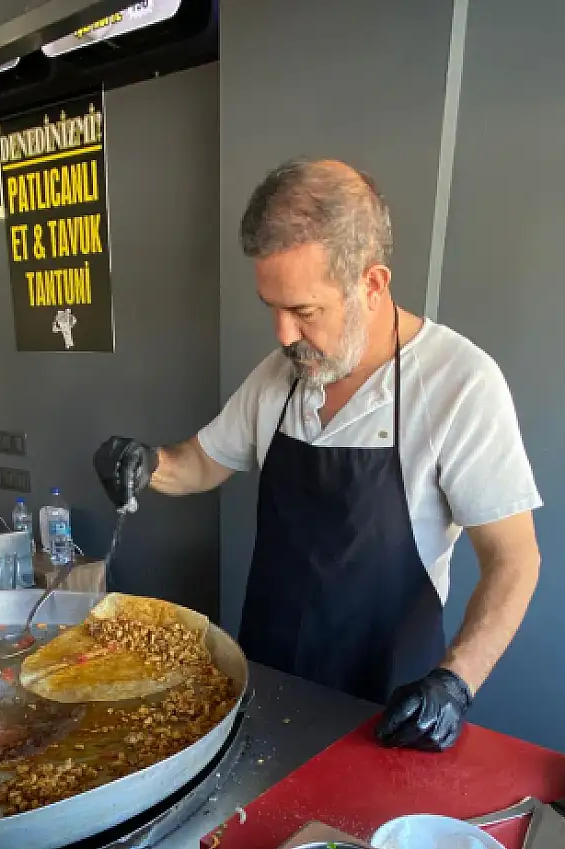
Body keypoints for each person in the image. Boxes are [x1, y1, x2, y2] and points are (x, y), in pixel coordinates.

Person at [95, 159, 541, 752]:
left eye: (304, 311)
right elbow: (200, 463)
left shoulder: (460, 384)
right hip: (267, 681)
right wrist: (145, 462)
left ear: (372, 283)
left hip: (388, 706)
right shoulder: (283, 376)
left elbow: (515, 559)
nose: (282, 334)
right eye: (271, 307)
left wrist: (456, 682)